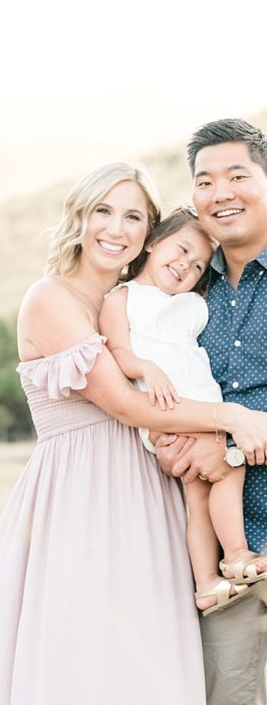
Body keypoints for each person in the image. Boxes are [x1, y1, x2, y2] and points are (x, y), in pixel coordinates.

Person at [0, 162, 267, 705]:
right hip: (81, 500)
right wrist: (230, 420)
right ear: (80, 215)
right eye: (103, 211)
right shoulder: (52, 298)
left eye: (133, 217)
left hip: (148, 495)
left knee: (150, 662)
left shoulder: (142, 304)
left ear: (150, 235)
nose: (116, 229)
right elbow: (125, 404)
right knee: (85, 657)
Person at [100, 207, 267, 618]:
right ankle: (236, 555)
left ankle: (209, 584)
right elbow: (117, 350)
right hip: (170, 408)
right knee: (228, 471)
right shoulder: (123, 298)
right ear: (153, 242)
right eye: (181, 250)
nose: (185, 266)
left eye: (197, 265)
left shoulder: (190, 304)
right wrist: (145, 368)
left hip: (203, 407)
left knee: (202, 495)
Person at [154, 119, 267, 705]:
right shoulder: (186, 291)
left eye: (238, 175)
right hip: (229, 564)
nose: (220, 192)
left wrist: (236, 431)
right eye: (205, 180)